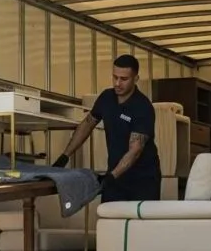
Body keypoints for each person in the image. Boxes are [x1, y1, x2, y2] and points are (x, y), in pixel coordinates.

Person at [52, 54, 161, 203]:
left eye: (123, 79)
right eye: (115, 77)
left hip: (143, 180)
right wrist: (65, 156)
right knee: (109, 222)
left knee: (139, 226)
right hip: (116, 177)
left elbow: (135, 151)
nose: (117, 83)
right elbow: (87, 124)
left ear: (136, 79)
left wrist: (110, 177)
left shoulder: (142, 107)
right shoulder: (106, 98)